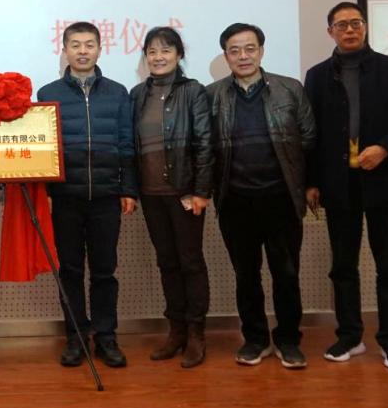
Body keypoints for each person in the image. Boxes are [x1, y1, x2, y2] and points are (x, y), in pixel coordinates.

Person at [304, 1, 388, 371]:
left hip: (384, 182)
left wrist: (385, 148)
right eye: (341, 25)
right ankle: (349, 336)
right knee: (343, 266)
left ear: (365, 27)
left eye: (355, 23)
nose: (349, 30)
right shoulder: (317, 76)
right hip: (338, 185)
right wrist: (311, 182)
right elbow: (311, 135)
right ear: (330, 32)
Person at [207, 23, 316, 369]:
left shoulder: (290, 89)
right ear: (226, 56)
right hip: (235, 200)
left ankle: (288, 339)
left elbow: (309, 140)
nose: (243, 56)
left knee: (286, 274)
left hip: (281, 198)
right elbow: (204, 149)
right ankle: (255, 339)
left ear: (261, 51)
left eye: (249, 48)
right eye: (235, 50)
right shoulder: (212, 95)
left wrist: (310, 185)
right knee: (246, 276)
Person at [36, 21, 137, 369]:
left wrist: (128, 188)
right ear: (64, 50)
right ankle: (76, 337)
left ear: (99, 49)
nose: (82, 51)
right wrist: (46, 190)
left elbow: (126, 144)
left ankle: (106, 337)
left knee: (105, 271)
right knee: (70, 271)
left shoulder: (118, 92)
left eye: (89, 44)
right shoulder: (47, 94)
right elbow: (44, 148)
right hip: (65, 197)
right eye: (75, 45)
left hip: (107, 196)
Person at [130, 26, 212, 368]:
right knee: (167, 261)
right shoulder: (137, 94)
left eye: (165, 50)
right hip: (151, 194)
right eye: (152, 51)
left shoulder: (193, 91)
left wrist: (201, 190)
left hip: (184, 192)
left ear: (179, 55)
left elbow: (204, 142)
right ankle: (176, 331)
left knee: (190, 261)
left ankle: (196, 334)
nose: (158, 57)